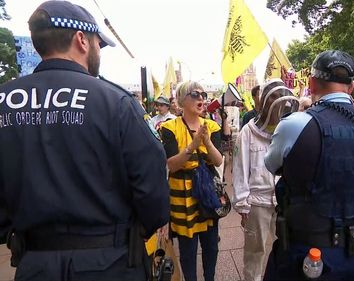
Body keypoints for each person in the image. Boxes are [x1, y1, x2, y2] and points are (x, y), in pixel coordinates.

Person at [0, 1, 170, 280]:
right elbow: (153, 191)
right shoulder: (115, 102)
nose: (98, 52)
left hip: (35, 265)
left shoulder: (4, 102)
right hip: (110, 262)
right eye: (97, 44)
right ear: (81, 40)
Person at [263, 50, 354, 280]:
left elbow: (271, 165)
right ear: (351, 87)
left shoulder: (295, 124)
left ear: (311, 83)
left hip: (309, 259)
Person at [232, 79, 299, 281]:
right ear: (264, 101)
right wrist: (243, 204)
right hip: (257, 203)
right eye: (274, 97)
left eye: (281, 98)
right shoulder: (247, 132)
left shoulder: (288, 130)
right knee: (255, 252)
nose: (278, 102)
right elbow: (239, 169)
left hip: (284, 202)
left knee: (286, 248)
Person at [159, 81, 223, 281]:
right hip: (181, 198)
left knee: (211, 246)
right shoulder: (169, 127)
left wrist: (207, 143)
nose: (201, 99)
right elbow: (171, 165)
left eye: (203, 94)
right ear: (181, 100)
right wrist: (191, 146)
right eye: (195, 94)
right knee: (187, 250)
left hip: (208, 195)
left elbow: (219, 160)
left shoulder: (212, 126)